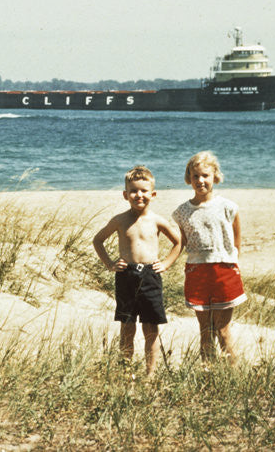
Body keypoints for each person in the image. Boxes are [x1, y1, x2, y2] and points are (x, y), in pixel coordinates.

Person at [93, 166, 182, 377]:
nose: (138, 195)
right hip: (126, 276)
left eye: (144, 190)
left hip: (151, 276)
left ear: (153, 194)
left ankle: (150, 374)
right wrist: (110, 264)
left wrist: (167, 263)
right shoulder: (119, 220)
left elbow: (178, 242)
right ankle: (126, 371)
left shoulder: (158, 220)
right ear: (125, 195)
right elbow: (98, 240)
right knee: (127, 327)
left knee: (151, 329)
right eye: (133, 191)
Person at [172, 150, 246, 364]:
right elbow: (180, 243)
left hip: (224, 272)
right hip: (197, 273)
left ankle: (233, 377)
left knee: (223, 332)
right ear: (189, 178)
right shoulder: (182, 212)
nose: (200, 180)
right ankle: (208, 375)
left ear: (215, 176)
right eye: (195, 176)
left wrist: (234, 267)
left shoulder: (229, 207)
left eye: (205, 175)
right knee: (205, 332)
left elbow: (237, 244)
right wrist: (164, 263)